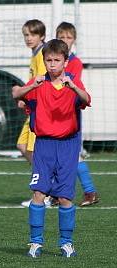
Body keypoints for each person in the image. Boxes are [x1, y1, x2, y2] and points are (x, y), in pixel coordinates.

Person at [12, 39, 91, 258]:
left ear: (66, 61)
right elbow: (16, 94)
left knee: (65, 197)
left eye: (57, 60)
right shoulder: (39, 84)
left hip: (68, 145)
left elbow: (86, 99)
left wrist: (73, 87)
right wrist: (32, 85)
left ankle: (66, 243)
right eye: (48, 60)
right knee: (38, 193)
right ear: (44, 61)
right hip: (44, 146)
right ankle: (35, 242)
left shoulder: (72, 83)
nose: (52, 64)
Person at [55, 22, 100, 207]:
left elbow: (71, 85)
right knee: (61, 154)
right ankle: (59, 193)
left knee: (72, 154)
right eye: (62, 37)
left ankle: (89, 192)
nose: (65, 40)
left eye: (69, 37)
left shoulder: (75, 62)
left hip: (69, 112)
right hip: (54, 112)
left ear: (74, 40)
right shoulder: (52, 59)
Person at [13, 19, 51, 207]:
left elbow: (41, 81)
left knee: (36, 153)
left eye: (32, 35)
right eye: (26, 35)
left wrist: (24, 94)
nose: (28, 38)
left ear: (41, 36)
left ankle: (45, 191)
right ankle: (46, 183)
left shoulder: (42, 55)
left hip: (40, 111)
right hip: (33, 110)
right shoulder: (34, 54)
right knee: (22, 146)